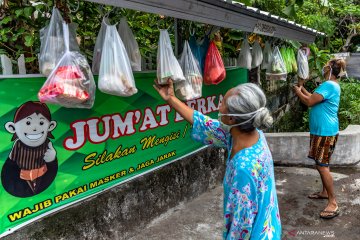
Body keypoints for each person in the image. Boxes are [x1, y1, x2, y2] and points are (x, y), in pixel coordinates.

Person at [154, 80, 281, 239]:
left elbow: (241, 227)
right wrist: (171, 98)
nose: (218, 108)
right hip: (268, 226)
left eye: (222, 104)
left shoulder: (244, 168)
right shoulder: (244, 134)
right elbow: (204, 123)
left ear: (232, 119)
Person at [293, 59, 346, 219]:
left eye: (325, 67)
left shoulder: (329, 85)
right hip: (322, 131)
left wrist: (297, 92)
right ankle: (324, 192)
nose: (323, 69)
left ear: (330, 69)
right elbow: (313, 97)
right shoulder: (330, 85)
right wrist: (302, 88)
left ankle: (333, 202)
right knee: (320, 164)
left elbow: (309, 102)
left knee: (322, 166)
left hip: (325, 132)